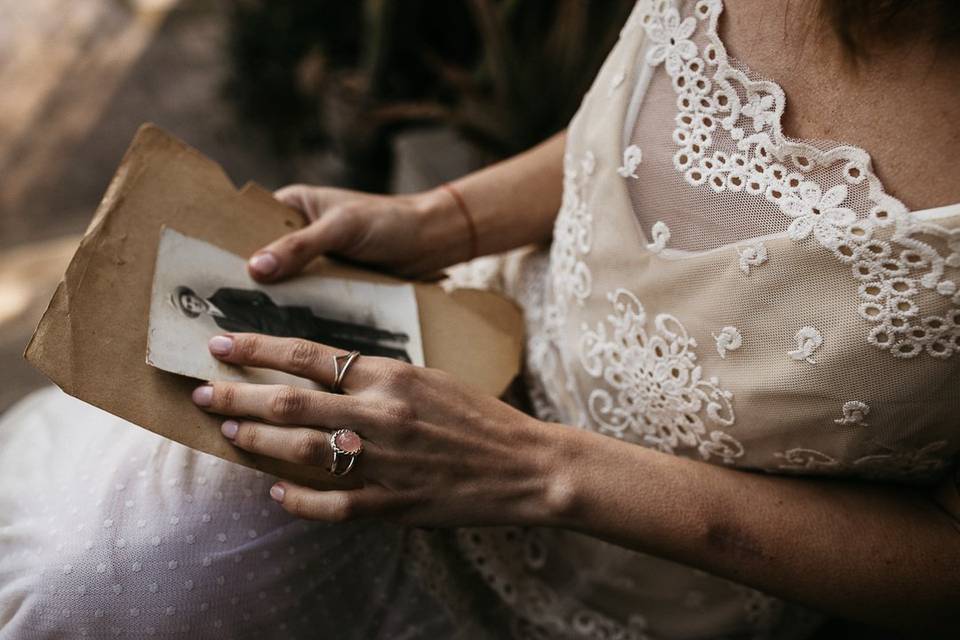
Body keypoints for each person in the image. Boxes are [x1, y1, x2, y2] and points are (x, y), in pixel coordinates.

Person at [1, 1, 959, 638]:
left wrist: (534, 468)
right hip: (466, 339)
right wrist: (438, 220)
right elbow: (670, 128)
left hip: (641, 581)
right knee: (97, 561)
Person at [171, 285, 412, 362]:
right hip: (291, 338)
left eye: (191, 300)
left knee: (343, 328)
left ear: (195, 296)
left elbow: (257, 296)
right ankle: (394, 353)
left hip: (293, 319)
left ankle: (391, 336)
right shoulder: (220, 322)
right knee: (341, 347)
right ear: (195, 312)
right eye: (191, 307)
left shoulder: (222, 295)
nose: (195, 305)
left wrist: (275, 314)